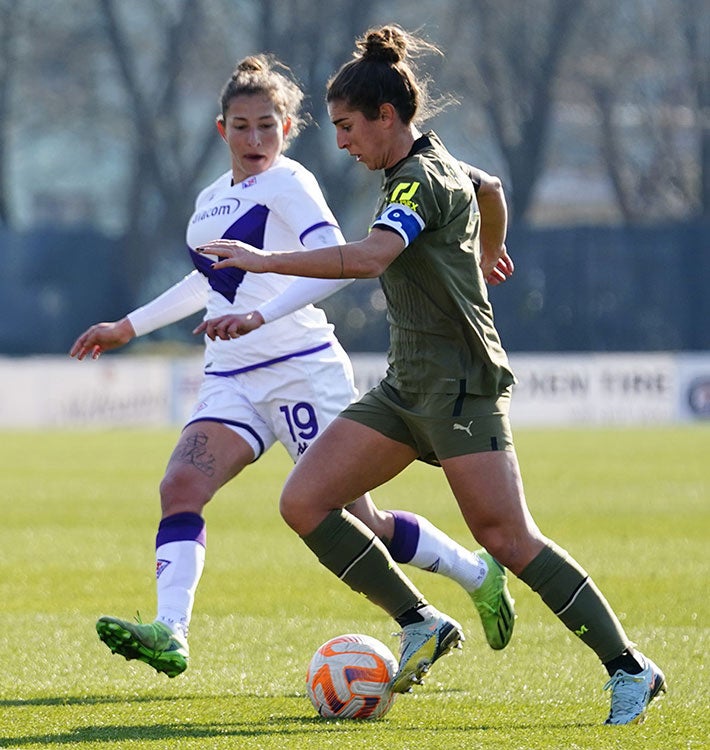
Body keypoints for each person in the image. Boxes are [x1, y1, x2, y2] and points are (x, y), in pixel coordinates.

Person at [197, 27, 666, 725]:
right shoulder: (437, 164)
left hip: (457, 386)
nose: (343, 143)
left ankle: (631, 668)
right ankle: (420, 620)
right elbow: (492, 187)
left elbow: (367, 259)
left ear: (387, 116)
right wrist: (490, 251)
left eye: (350, 127)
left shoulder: (416, 180)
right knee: (305, 502)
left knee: (507, 538)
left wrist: (261, 262)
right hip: (406, 385)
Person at [69, 54, 515, 680]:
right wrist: (129, 325)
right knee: (180, 486)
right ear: (221, 129)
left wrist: (261, 317)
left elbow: (330, 265)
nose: (255, 140)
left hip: (302, 369)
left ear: (287, 127)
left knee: (362, 520)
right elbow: (209, 284)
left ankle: (470, 575)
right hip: (231, 375)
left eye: (267, 127)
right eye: (242, 127)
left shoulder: (291, 184)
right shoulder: (209, 201)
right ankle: (171, 633)